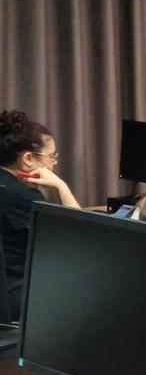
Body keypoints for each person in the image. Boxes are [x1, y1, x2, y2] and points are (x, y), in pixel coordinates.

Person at [0, 110, 80, 314]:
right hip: (17, 296)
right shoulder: (23, 198)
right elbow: (78, 242)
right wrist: (62, 187)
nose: (55, 163)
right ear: (28, 159)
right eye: (52, 156)